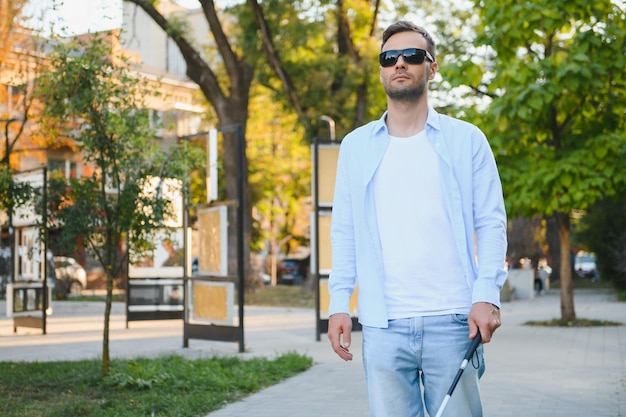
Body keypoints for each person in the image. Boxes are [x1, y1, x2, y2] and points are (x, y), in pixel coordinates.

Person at [327, 21, 508, 417]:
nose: (400, 63)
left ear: (432, 67)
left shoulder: (467, 140)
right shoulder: (355, 146)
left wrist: (486, 294)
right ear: (381, 70)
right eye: (390, 57)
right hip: (382, 325)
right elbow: (344, 231)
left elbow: (492, 223)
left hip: (454, 320)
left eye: (412, 56)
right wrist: (339, 302)